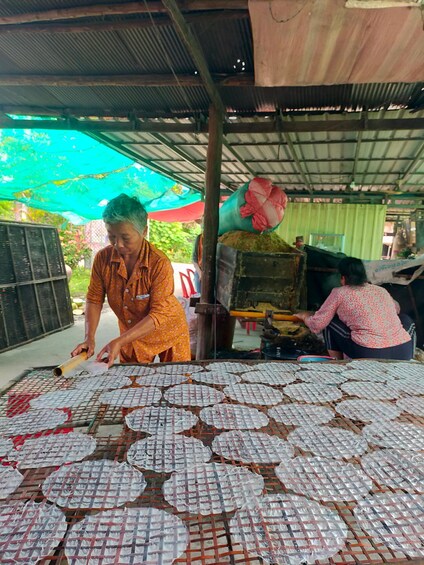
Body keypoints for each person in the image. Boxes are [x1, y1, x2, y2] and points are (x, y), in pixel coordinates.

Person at [71, 194, 190, 367]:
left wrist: (119, 341)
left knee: (177, 385)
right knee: (133, 387)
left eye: (125, 238)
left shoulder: (159, 263)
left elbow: (159, 314)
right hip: (131, 336)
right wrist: (89, 338)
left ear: (144, 231)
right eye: (112, 236)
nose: (118, 244)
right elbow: (94, 299)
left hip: (169, 333)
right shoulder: (103, 259)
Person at [295, 256, 415, 360]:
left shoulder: (340, 292)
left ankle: (335, 362)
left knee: (330, 322)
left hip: (369, 352)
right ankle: (412, 358)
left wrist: (305, 317)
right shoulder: (380, 290)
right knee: (405, 319)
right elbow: (396, 309)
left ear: (342, 278)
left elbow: (318, 323)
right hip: (403, 351)